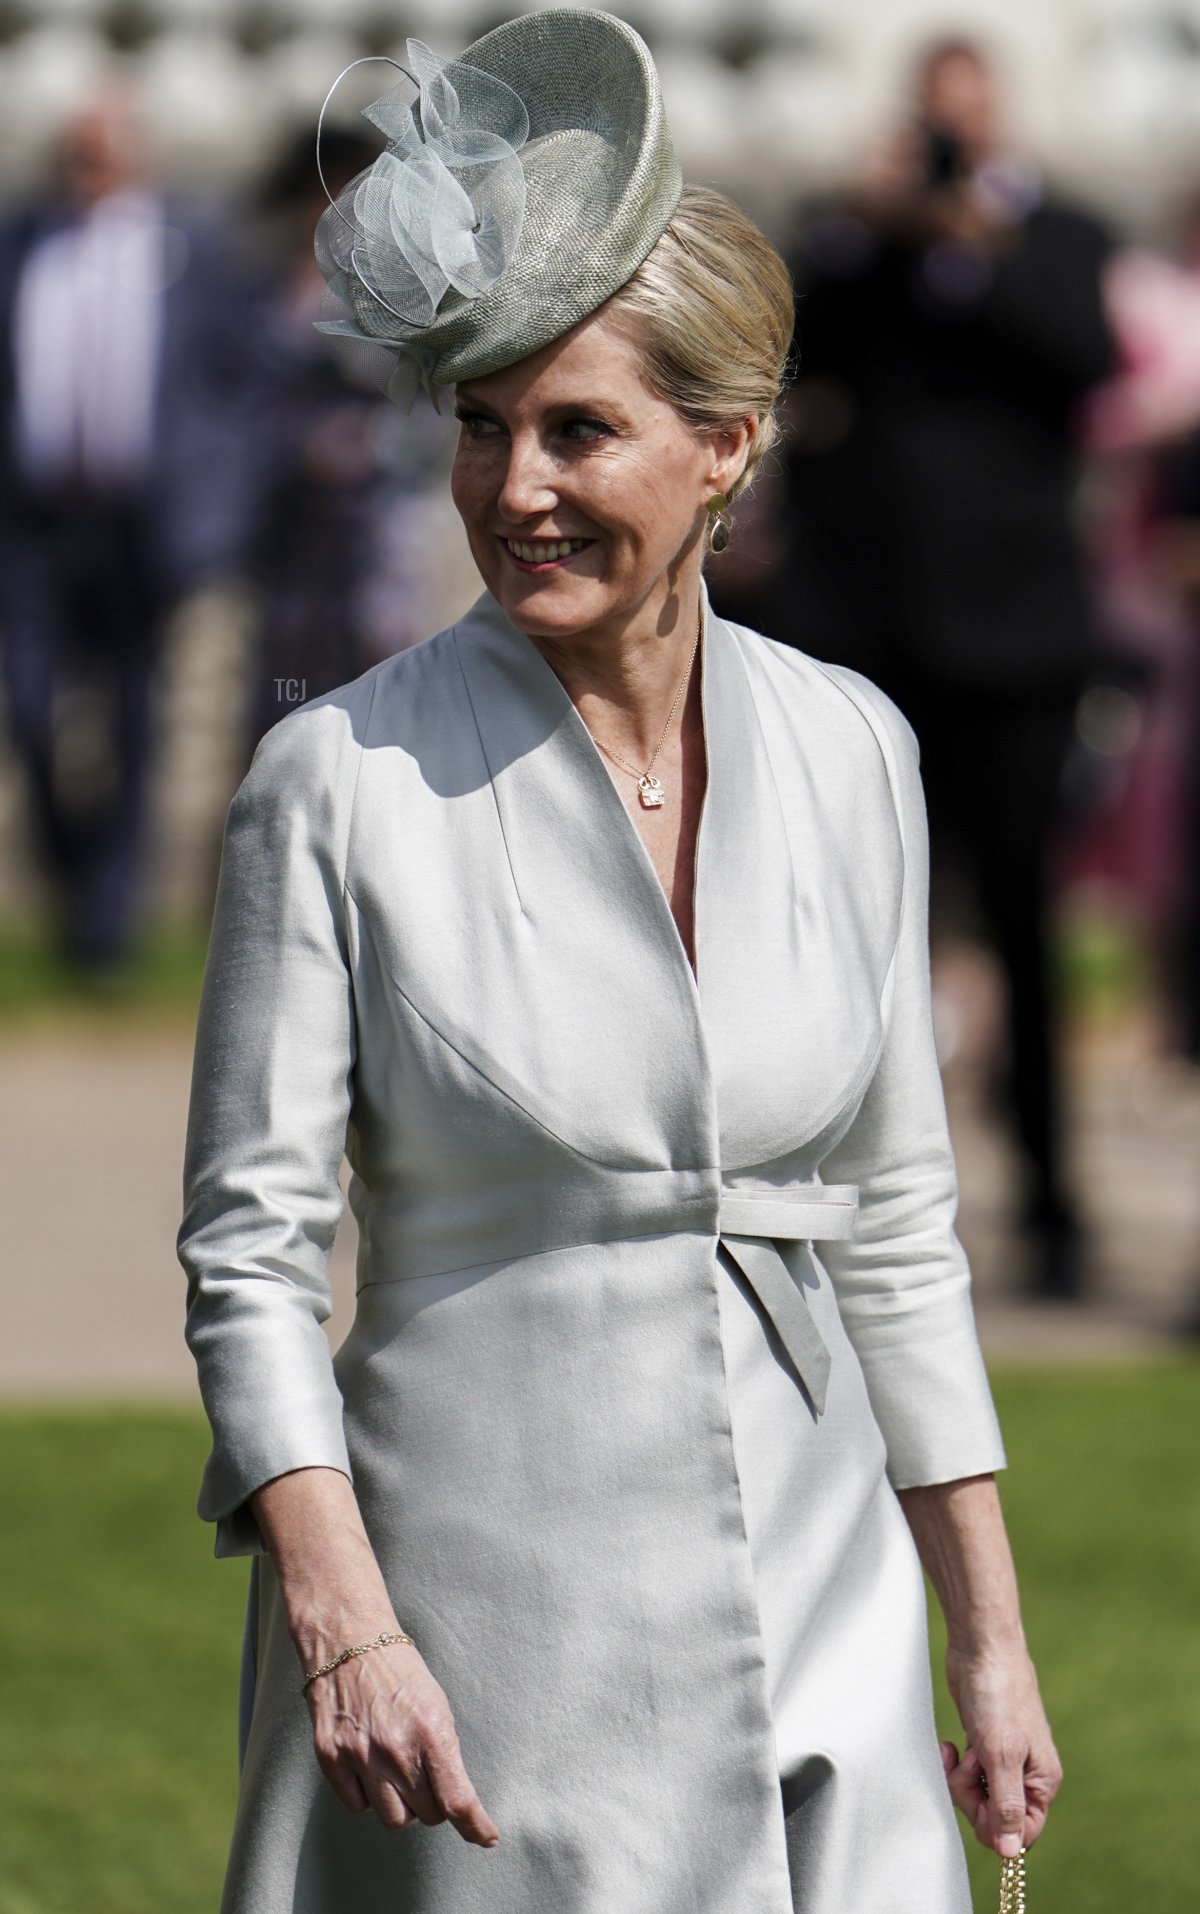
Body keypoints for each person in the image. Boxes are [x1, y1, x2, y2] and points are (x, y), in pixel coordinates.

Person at [177, 16, 1060, 1913]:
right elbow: (249, 1258)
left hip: (822, 1575)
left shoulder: (854, 749)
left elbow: (899, 1218)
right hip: (477, 1615)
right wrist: (345, 1620)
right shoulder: (331, 779)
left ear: (727, 445)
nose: (515, 492)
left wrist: (984, 1633)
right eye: (482, 427)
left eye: (580, 428)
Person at [748, 37, 1116, 1301]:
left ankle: (1054, 1204)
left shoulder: (1059, 236)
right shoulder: (862, 251)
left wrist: (978, 238)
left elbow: (1082, 360)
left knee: (1024, 920)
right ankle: (851, 1202)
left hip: (1013, 642)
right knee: (859, 926)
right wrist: (877, 227)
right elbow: (782, 350)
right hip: (874, 637)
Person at [0, 82, 260, 970]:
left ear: (134, 154)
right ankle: (74, 883)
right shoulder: (21, 241)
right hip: (33, 526)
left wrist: (212, 506)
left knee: (134, 721)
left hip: (143, 527)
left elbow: (238, 384)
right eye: (72, 153)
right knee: (29, 712)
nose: (83, 170)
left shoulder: (190, 249)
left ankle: (105, 931)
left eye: (98, 152)